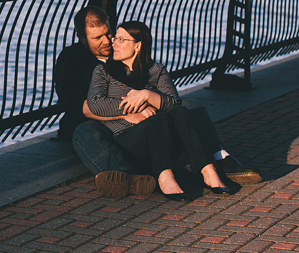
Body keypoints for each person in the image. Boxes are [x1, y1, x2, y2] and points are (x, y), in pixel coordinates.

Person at [54, 6, 260, 198]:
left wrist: (149, 102)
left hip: (143, 123)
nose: (108, 41)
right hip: (96, 122)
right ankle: (124, 174)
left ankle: (219, 159)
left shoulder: (121, 50)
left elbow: (153, 84)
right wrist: (127, 113)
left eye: (109, 33)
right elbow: (79, 106)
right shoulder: (71, 59)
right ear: (81, 37)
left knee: (189, 106)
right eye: (98, 37)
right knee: (86, 131)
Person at [87, 20, 230, 200]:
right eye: (115, 38)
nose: (113, 43)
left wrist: (147, 96)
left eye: (121, 39)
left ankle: (207, 170)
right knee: (159, 119)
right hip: (129, 141)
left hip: (164, 141)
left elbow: (174, 103)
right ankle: (165, 177)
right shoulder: (103, 71)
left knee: (179, 112)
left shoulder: (156, 70)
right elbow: (96, 103)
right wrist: (134, 110)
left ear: (137, 45)